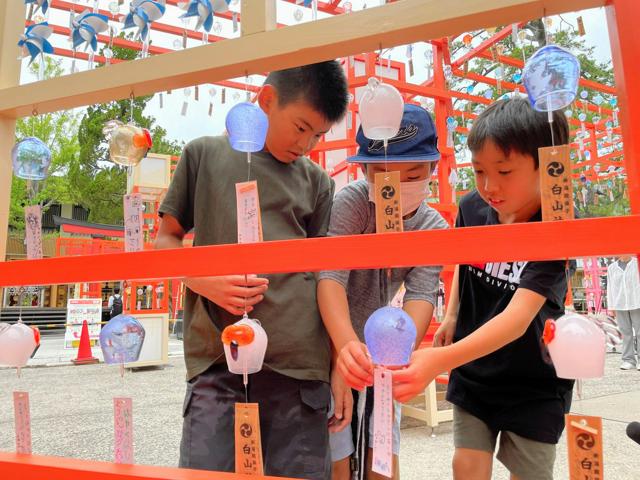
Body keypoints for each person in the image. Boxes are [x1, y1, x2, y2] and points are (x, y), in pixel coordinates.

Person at [155, 61, 349, 479]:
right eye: (300, 127)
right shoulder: (203, 155)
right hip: (217, 362)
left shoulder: (317, 182)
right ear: (266, 99)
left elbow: (327, 278)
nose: (307, 144)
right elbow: (164, 239)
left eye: (317, 134)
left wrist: (337, 368)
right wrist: (202, 280)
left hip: (300, 366)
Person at [391, 97, 574, 480]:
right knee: (466, 467)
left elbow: (516, 320)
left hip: (534, 382)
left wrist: (440, 360)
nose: (490, 186)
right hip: (474, 371)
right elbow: (465, 260)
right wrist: (454, 314)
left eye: (504, 171)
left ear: (546, 164)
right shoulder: (472, 208)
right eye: (479, 171)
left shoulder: (558, 226)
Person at [318, 104, 448, 480]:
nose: (399, 185)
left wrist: (397, 356)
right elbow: (330, 279)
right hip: (333, 341)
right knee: (336, 439)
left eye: (413, 174)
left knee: (383, 446)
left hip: (386, 350)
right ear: (364, 170)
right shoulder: (353, 203)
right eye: (383, 175)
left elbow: (421, 296)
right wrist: (342, 353)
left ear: (432, 170)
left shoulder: (431, 227)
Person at [606, 254, 640, 370]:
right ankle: (628, 360)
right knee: (626, 333)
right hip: (619, 304)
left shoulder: (637, 264)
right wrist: (611, 307)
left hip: (637, 302)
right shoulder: (612, 268)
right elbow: (610, 288)